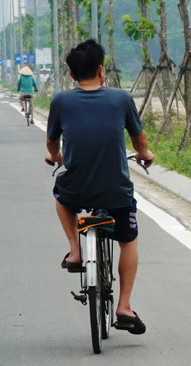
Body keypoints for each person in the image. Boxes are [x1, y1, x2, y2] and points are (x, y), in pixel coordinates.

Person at [45, 40, 154, 335]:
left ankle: (75, 250)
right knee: (128, 240)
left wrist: (54, 156)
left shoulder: (60, 102)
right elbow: (139, 141)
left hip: (77, 189)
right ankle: (124, 306)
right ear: (101, 70)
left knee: (61, 194)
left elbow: (52, 143)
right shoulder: (121, 98)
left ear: (71, 75)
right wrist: (145, 155)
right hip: (115, 191)